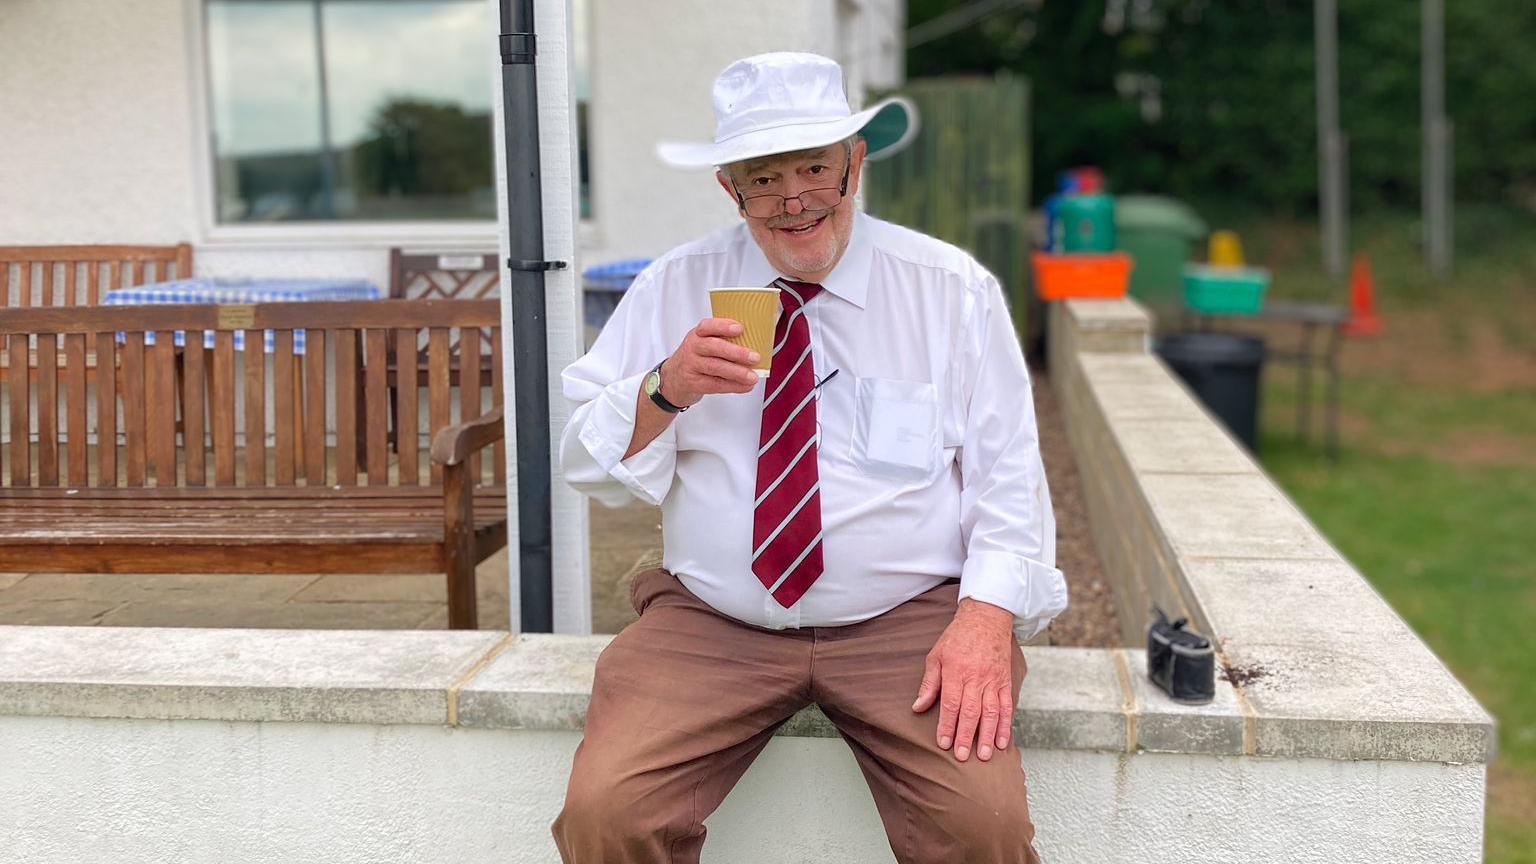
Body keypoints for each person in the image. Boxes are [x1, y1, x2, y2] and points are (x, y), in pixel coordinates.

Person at [554, 52, 1067, 863]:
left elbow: (1010, 477)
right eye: (764, 178)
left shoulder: (948, 289)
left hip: (907, 619)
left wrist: (986, 616)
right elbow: (579, 459)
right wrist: (667, 386)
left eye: (815, 169)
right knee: (606, 812)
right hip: (714, 620)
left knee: (983, 828)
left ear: (854, 165)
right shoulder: (674, 285)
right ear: (730, 188)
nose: (794, 200)